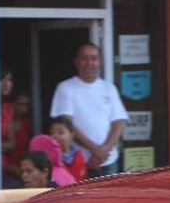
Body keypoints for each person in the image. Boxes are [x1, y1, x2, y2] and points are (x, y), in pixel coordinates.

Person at [50, 43, 128, 177]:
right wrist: (95, 150)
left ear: (100, 62)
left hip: (108, 161)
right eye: (84, 58)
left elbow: (118, 123)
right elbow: (67, 125)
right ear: (76, 62)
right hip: (78, 161)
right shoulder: (65, 88)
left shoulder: (109, 88)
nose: (89, 63)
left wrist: (103, 152)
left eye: (94, 58)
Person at [49, 115, 87, 181]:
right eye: (52, 133)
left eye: (61, 132)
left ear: (71, 135)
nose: (55, 135)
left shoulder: (79, 155)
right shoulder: (49, 157)